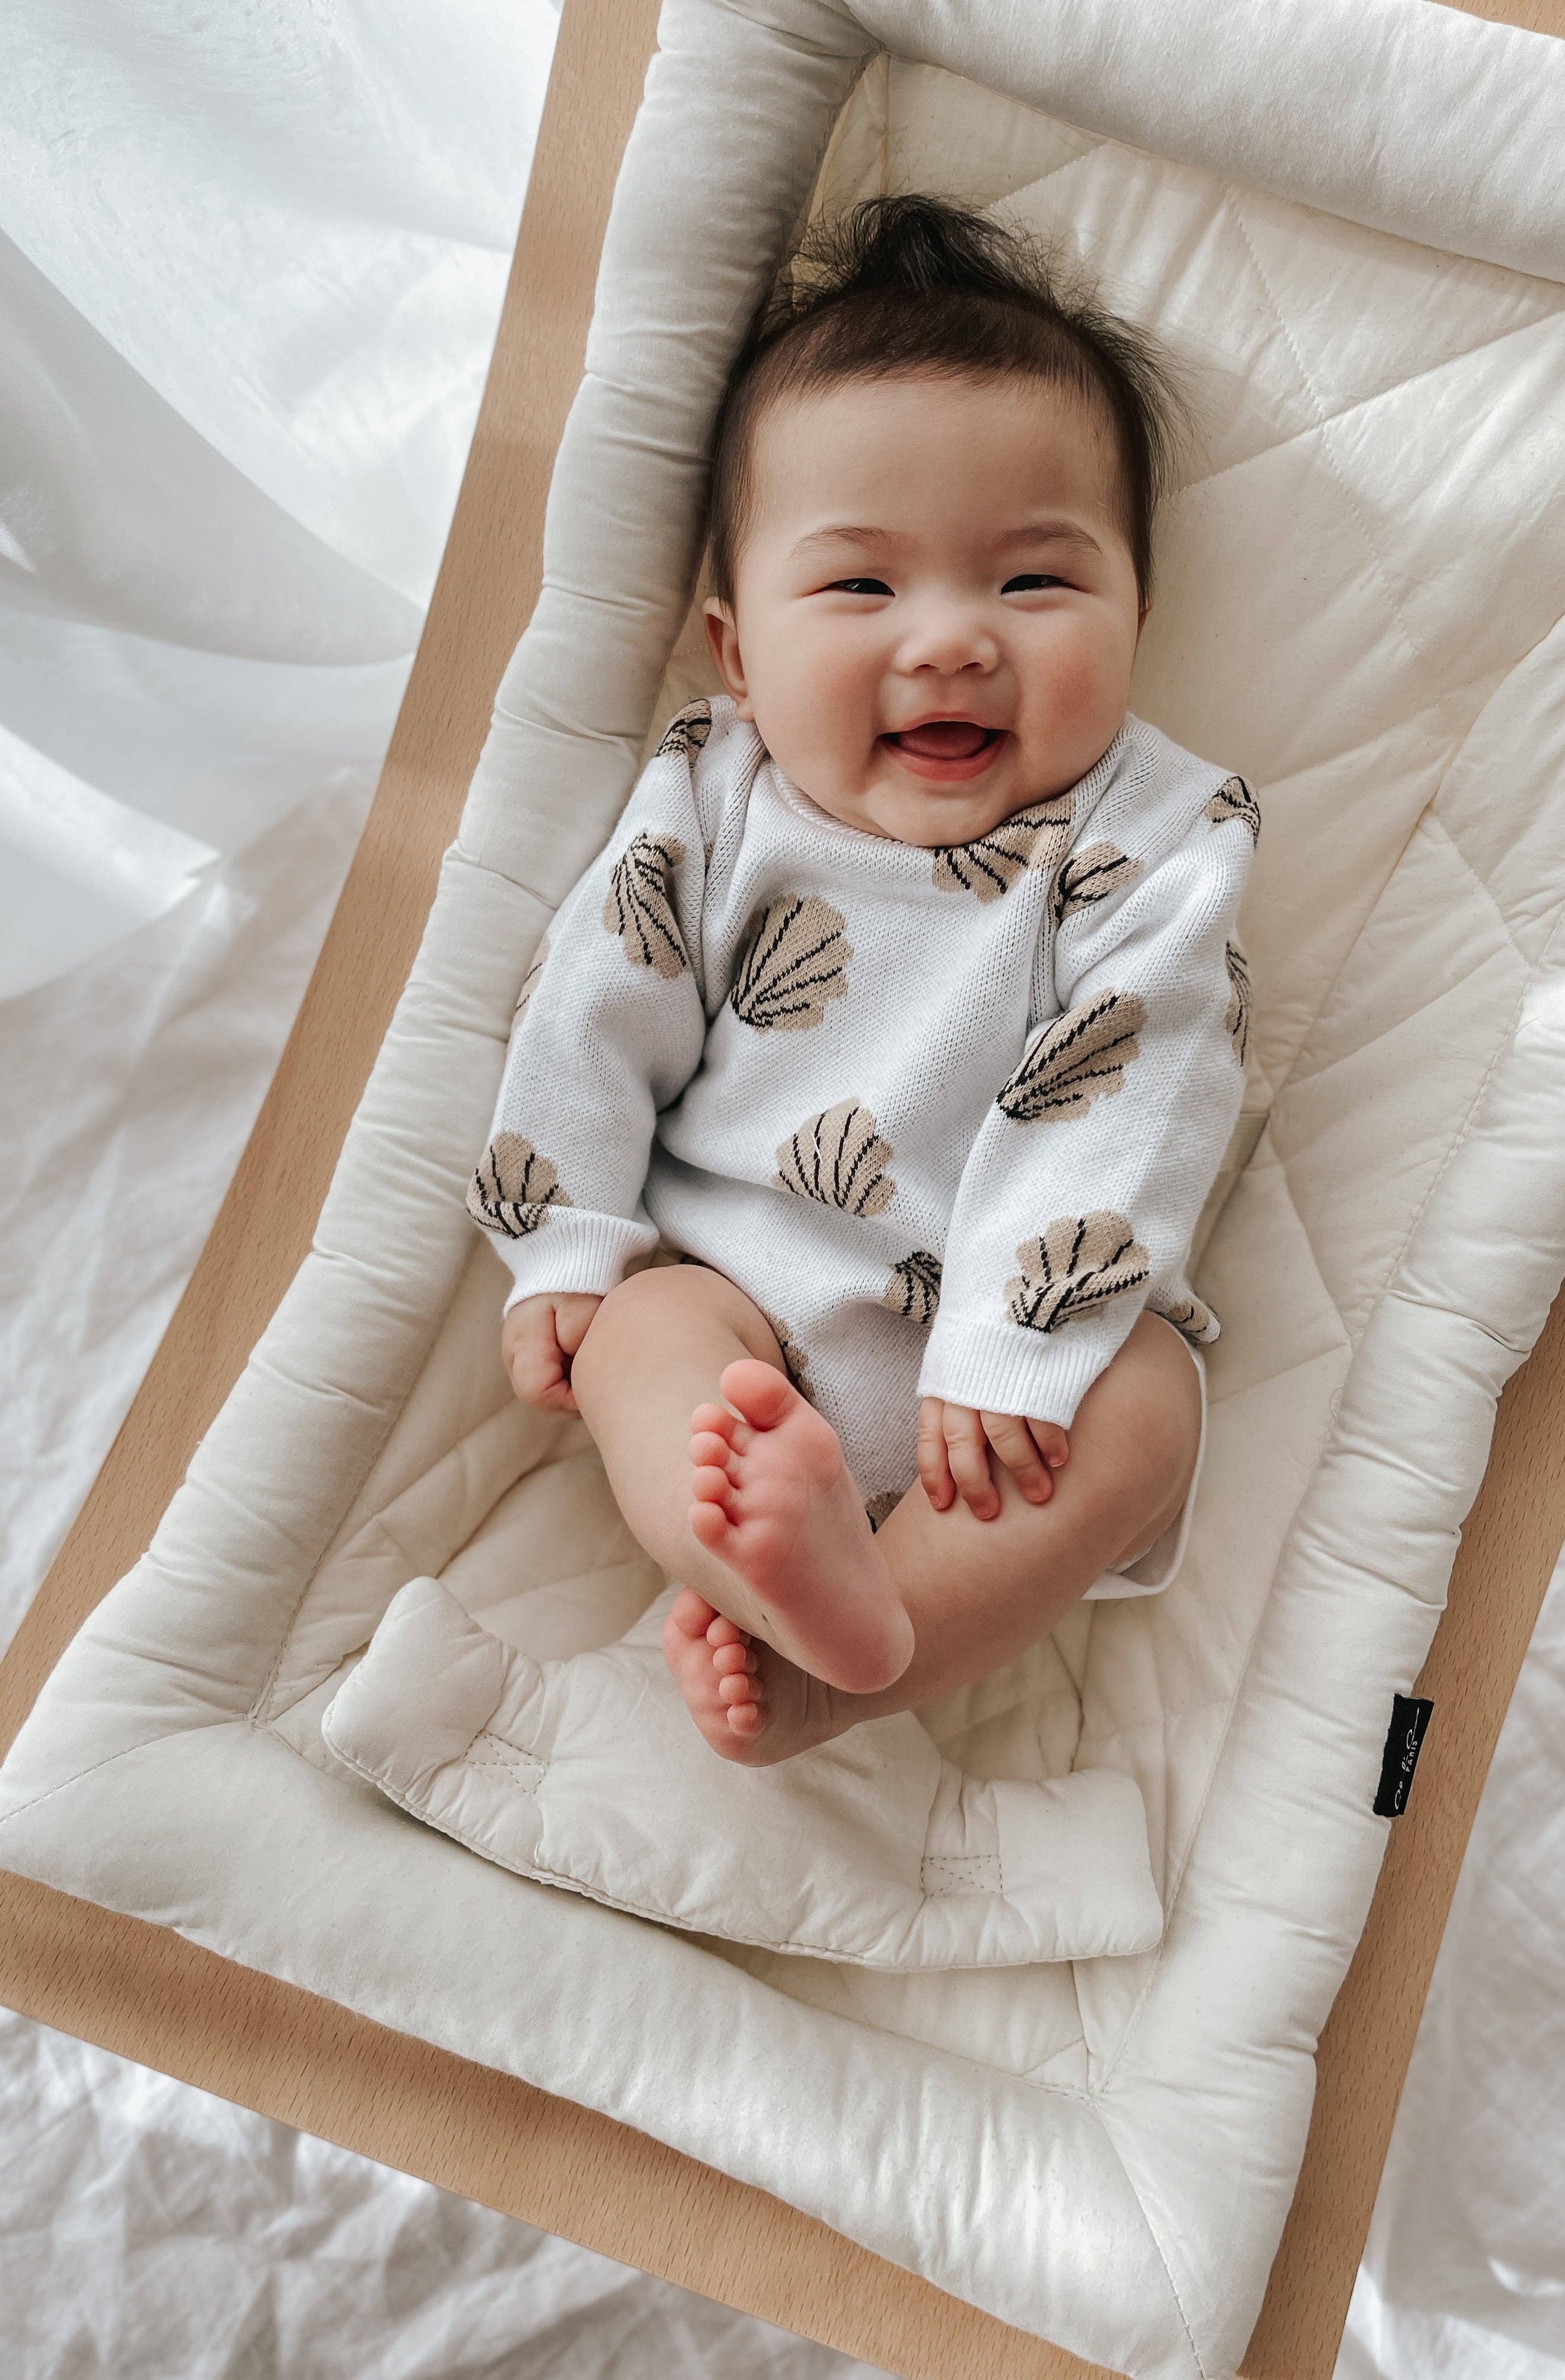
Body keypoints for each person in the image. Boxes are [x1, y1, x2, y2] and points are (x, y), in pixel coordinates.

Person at [467, 194, 1256, 1764]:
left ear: (1137, 616)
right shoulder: (714, 797)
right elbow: (593, 1007)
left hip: (1028, 1361)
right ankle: (772, 1568)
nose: (951, 642)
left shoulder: (1158, 832)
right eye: (860, 589)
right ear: (736, 649)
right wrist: (565, 1243)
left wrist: (1020, 1339)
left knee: (1151, 1404)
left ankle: (850, 1664)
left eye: (1033, 584)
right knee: (642, 1340)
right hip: (741, 1290)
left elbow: (1147, 1072)